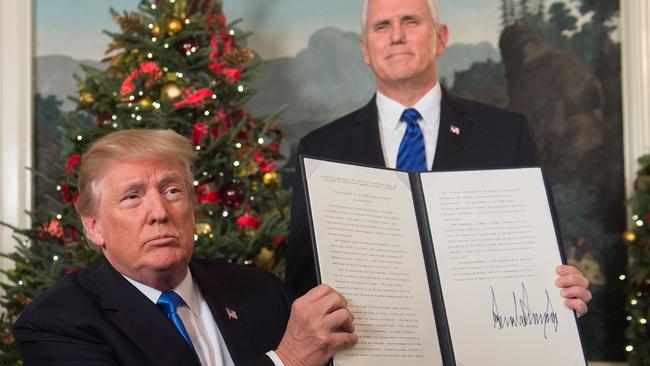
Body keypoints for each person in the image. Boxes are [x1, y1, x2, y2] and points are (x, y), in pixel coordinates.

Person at [286, 0, 592, 317]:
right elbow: (302, 285)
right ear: (365, 49)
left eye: (410, 21)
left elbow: (542, 260)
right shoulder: (321, 149)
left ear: (441, 38)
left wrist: (564, 292)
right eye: (382, 26)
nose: (396, 36)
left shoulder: (506, 134)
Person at [14, 129, 357, 366]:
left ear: (193, 208)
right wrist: (287, 360)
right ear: (94, 226)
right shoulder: (58, 322)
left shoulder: (263, 291)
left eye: (172, 191)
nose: (159, 212)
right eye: (133, 197)